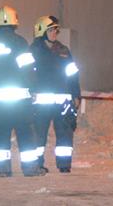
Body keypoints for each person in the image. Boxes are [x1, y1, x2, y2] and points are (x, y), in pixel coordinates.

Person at [0, 6, 44, 177]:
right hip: (19, 99)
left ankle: (3, 169)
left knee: (0, 134)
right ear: (15, 23)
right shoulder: (20, 42)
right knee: (25, 134)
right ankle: (30, 169)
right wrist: (34, 89)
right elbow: (28, 68)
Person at [30, 15, 80, 173]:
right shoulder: (34, 51)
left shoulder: (64, 50)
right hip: (40, 102)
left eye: (55, 30)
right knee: (38, 134)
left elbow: (72, 74)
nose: (54, 33)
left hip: (63, 101)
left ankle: (64, 164)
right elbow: (26, 74)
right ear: (42, 31)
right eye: (50, 30)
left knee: (65, 133)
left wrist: (76, 94)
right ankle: (37, 163)